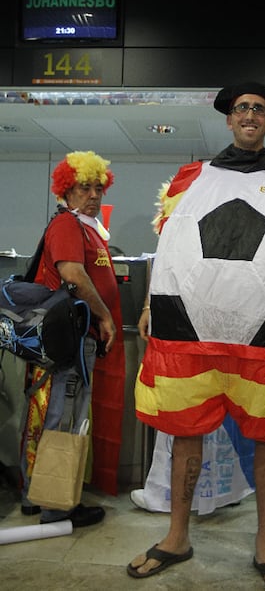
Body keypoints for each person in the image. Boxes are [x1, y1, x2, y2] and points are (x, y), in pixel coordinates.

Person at [127, 81, 265, 591]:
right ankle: (177, 536)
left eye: (260, 110)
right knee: (184, 432)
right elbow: (173, 245)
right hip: (188, 329)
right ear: (229, 118)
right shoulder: (191, 179)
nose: (250, 115)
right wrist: (146, 302)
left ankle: (264, 547)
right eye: (242, 108)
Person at [20, 150, 125, 527]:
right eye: (85, 188)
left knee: (57, 414)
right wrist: (105, 317)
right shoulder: (68, 225)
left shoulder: (85, 227)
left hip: (76, 338)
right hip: (71, 340)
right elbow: (74, 276)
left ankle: (39, 493)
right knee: (63, 417)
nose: (94, 195)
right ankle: (56, 505)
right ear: (67, 189)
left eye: (99, 188)